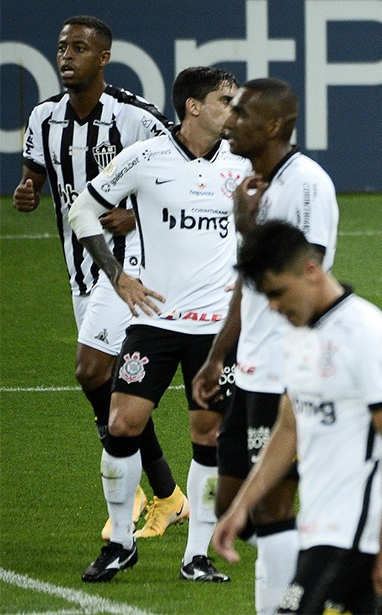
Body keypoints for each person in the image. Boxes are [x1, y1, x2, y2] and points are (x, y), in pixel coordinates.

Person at [68, 66, 252, 583]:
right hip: (155, 320)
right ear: (193, 106)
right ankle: (121, 543)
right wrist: (118, 276)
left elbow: (263, 228)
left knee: (208, 434)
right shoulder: (145, 157)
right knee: (122, 424)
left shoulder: (241, 164)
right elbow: (82, 211)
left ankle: (197, 556)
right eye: (224, 100)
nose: (233, 110)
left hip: (215, 327)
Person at [14, 15, 186, 541]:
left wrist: (136, 214)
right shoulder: (43, 118)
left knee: (91, 370)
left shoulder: (135, 117)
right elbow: (35, 176)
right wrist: (27, 192)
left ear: (104, 58)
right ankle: (165, 494)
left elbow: (183, 174)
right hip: (80, 270)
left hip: (129, 267)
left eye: (80, 48)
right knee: (114, 388)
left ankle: (132, 481)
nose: (67, 56)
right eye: (62, 47)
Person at [213, 221, 382, 615]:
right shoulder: (298, 334)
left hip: (357, 536)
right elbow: (288, 429)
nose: (273, 307)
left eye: (277, 292)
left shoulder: (369, 335)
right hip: (318, 527)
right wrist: (240, 508)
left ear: (311, 271)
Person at [192, 77, 339, 615]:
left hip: (286, 368)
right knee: (233, 507)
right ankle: (329, 565)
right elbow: (246, 282)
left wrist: (248, 228)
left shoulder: (307, 184)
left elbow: (306, 274)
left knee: (272, 508)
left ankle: (300, 599)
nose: (229, 122)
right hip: (249, 366)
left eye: (242, 114)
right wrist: (218, 355)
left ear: (275, 125)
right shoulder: (254, 185)